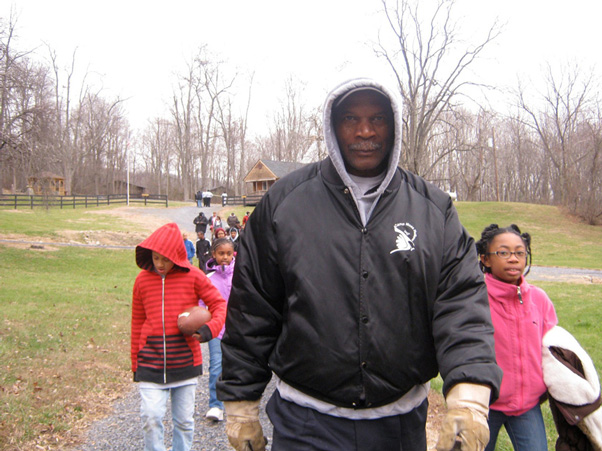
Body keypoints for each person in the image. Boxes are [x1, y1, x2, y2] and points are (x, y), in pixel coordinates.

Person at [217, 78, 502, 451]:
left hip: (399, 427)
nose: (365, 130)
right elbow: (252, 308)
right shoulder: (284, 204)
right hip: (305, 424)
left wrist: (468, 401)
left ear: (395, 124)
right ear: (332, 125)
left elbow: (462, 306)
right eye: (351, 117)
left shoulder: (434, 211)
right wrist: (240, 406)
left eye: (378, 118)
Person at [130, 222, 227, 451]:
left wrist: (209, 329)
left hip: (185, 361)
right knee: (151, 419)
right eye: (155, 258)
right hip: (150, 362)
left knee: (183, 422)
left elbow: (219, 305)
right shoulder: (142, 281)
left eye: (165, 258)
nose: (160, 264)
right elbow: (136, 322)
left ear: (176, 254)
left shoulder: (194, 276)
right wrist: (135, 360)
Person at [475, 224, 558, 451]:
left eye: (520, 252)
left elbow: (553, 348)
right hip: (484, 405)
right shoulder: (474, 298)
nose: (513, 259)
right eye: (503, 252)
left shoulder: (539, 299)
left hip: (527, 405)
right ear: (485, 258)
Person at [199, 237, 236, 422]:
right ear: (214, 254)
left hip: (238, 329)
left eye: (229, 254)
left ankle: (239, 402)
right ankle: (215, 405)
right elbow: (201, 304)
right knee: (216, 365)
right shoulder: (208, 279)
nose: (225, 257)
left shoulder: (241, 275)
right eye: (221, 253)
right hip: (216, 330)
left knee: (239, 365)